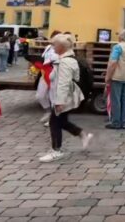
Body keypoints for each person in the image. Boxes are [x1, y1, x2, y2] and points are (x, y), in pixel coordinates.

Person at [40, 34, 93, 162]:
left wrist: (59, 101)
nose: (53, 47)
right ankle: (82, 134)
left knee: (54, 122)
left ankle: (56, 151)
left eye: (54, 45)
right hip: (64, 97)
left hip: (64, 98)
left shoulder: (65, 62)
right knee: (61, 121)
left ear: (61, 46)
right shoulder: (66, 59)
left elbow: (63, 83)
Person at [37, 30, 62, 127]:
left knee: (53, 97)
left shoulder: (60, 49)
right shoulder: (48, 47)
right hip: (44, 73)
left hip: (55, 74)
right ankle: (47, 111)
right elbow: (43, 58)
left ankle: (53, 118)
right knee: (40, 95)